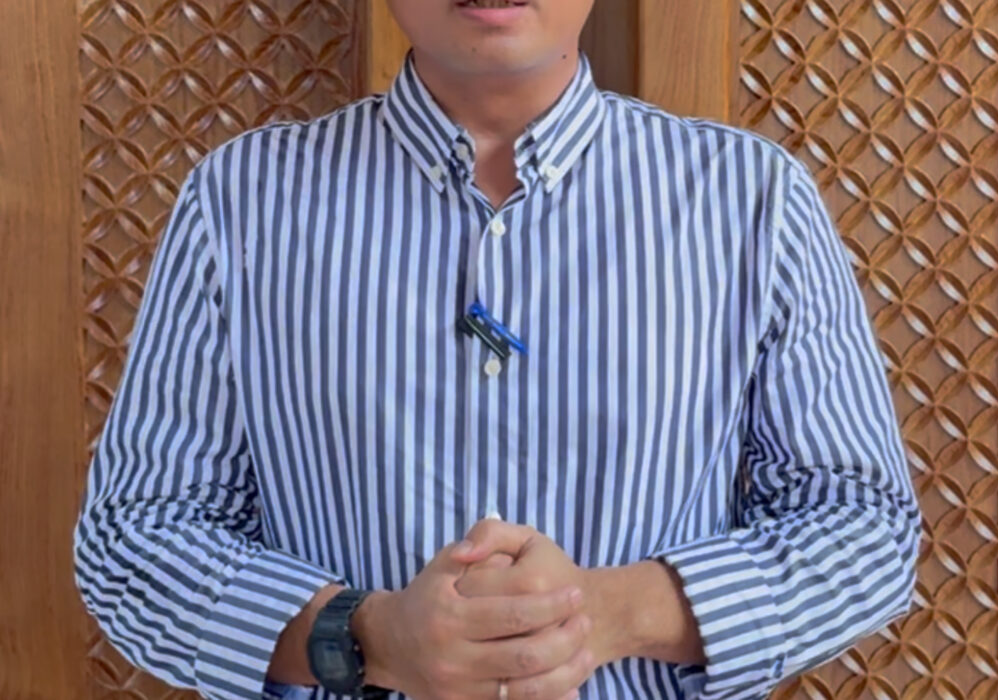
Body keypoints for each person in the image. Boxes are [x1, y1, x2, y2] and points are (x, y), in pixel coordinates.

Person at [72, 0, 921, 698]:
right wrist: (368, 637)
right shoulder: (242, 203)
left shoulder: (751, 201)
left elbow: (863, 524)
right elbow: (136, 536)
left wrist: (606, 613)